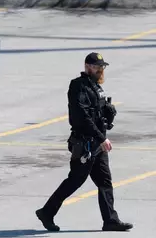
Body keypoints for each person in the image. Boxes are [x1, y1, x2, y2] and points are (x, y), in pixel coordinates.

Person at [35, 52, 133, 232]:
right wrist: (101, 137)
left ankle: (110, 220)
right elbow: (83, 117)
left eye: (102, 67)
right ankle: (47, 212)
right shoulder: (78, 86)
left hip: (97, 143)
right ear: (88, 66)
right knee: (75, 180)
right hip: (85, 143)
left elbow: (96, 116)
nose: (101, 70)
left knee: (104, 181)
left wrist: (108, 116)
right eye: (97, 67)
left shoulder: (96, 87)